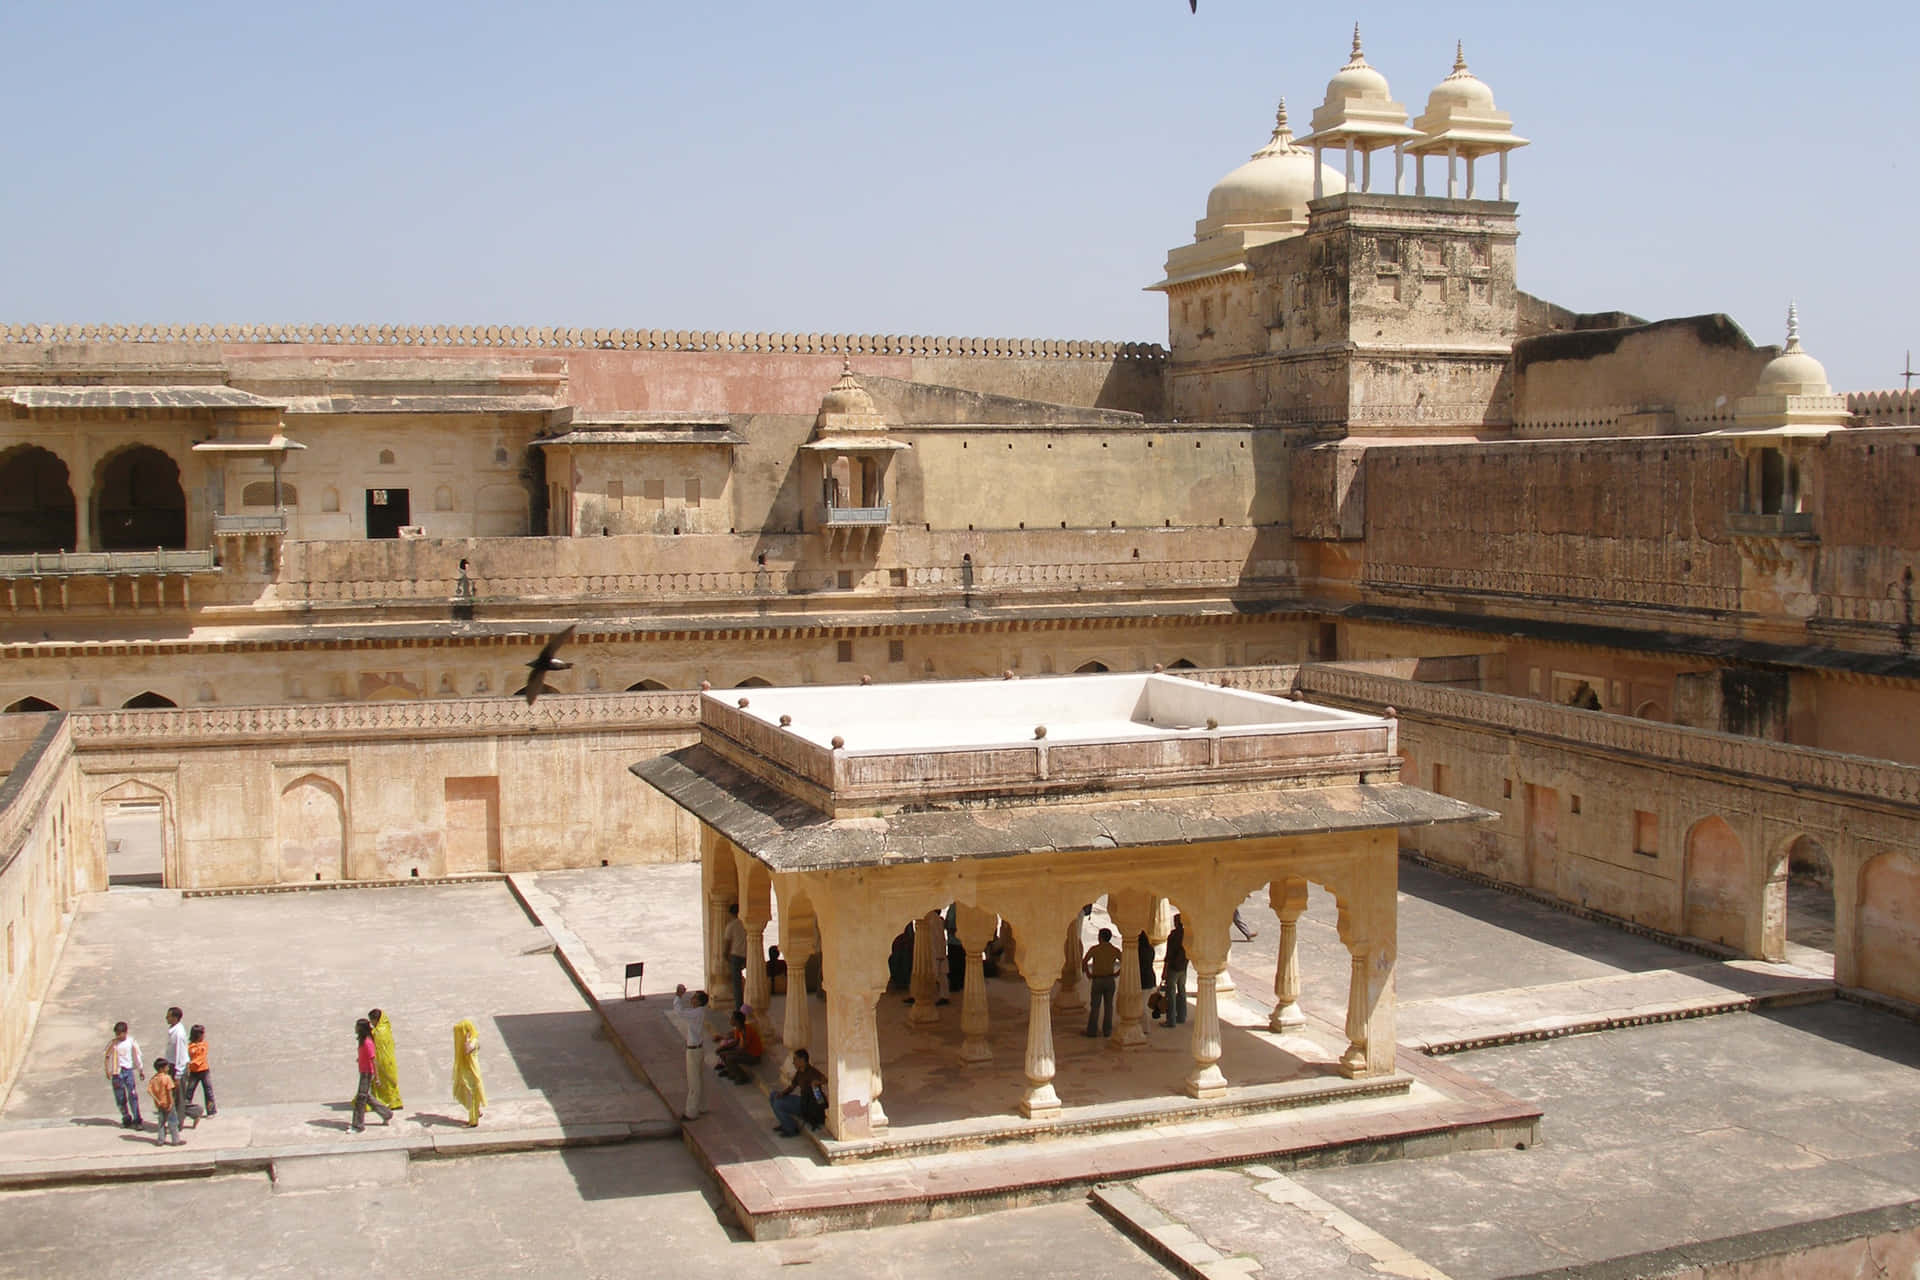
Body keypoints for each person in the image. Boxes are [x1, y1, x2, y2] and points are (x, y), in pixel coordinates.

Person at [670, 985, 709, 1120]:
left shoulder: (696, 1013)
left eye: (694, 998)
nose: (692, 999)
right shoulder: (698, 1012)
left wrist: (678, 996)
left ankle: (691, 1112)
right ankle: (702, 1106)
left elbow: (679, 1012)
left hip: (693, 1050)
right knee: (699, 1078)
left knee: (694, 1082)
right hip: (698, 1049)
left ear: (699, 1002)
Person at [770, 1048, 827, 1137]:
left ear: (802, 1060)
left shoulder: (812, 1072)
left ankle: (791, 1129)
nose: (793, 1062)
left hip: (808, 1106)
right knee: (773, 1095)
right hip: (802, 1100)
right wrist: (782, 1093)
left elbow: (823, 1083)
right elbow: (792, 1087)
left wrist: (817, 1084)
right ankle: (784, 1123)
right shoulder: (800, 1072)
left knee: (778, 1104)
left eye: (795, 1059)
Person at [351, 1018, 393, 1131]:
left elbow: (373, 1060)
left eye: (357, 1026)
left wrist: (377, 1078)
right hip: (363, 1071)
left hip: (367, 1073)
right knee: (366, 1097)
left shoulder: (367, 1042)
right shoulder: (362, 1041)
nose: (355, 1028)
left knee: (361, 1099)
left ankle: (358, 1125)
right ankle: (386, 1113)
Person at [1082, 927, 1123, 1038]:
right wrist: (1117, 973)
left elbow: (1084, 961)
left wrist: (1088, 973)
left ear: (1100, 937)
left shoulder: (1095, 949)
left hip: (1097, 980)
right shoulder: (1114, 950)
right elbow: (1124, 962)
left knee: (1095, 1006)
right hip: (1109, 979)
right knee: (1109, 1006)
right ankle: (1107, 1031)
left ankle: (1092, 1031)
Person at [104, 1021, 145, 1129]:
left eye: (120, 1033)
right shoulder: (113, 1043)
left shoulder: (131, 1042)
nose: (118, 1036)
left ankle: (137, 1119)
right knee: (120, 1097)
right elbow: (107, 1056)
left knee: (133, 1095)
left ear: (125, 1032)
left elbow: (136, 1056)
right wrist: (107, 1070)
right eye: (116, 1034)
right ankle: (126, 1117)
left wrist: (140, 1070)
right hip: (117, 1073)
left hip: (128, 1071)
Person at [452, 1018, 486, 1128]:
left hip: (472, 1072)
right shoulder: (471, 1040)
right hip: (466, 1071)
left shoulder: (473, 1041)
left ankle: (473, 1120)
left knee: (472, 1095)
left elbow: (468, 1050)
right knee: (467, 1093)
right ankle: (477, 1111)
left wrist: (466, 1040)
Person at [714, 1009, 763, 1084]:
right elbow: (735, 1042)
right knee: (722, 1052)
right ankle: (732, 1072)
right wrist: (722, 1048)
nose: (730, 1020)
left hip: (753, 1056)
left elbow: (742, 1050)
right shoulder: (738, 1028)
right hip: (745, 1052)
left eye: (732, 1018)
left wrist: (727, 1052)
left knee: (729, 1058)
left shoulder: (746, 1031)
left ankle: (743, 1077)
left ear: (737, 1021)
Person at [368, 1008, 402, 1111]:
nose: (371, 1023)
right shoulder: (385, 1027)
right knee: (389, 1081)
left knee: (386, 1081)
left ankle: (388, 1101)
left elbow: (375, 1039)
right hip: (389, 1059)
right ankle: (394, 1101)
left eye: (372, 1020)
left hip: (383, 1060)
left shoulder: (379, 1031)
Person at [181, 1024, 215, 1119]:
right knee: (189, 1092)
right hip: (193, 1072)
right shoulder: (190, 1046)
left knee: (208, 1091)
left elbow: (201, 1057)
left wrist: (191, 1062)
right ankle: (186, 1110)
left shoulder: (204, 1045)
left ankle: (211, 1111)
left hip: (204, 1070)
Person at [1162, 914, 1189, 1028]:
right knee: (1182, 991)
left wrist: (1164, 971)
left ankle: (1171, 1020)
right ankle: (1182, 1016)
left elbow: (1168, 955)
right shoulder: (1186, 935)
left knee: (1171, 994)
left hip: (1173, 967)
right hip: (1183, 967)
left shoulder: (1173, 936)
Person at [148, 1059, 181, 1146]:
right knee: (173, 1121)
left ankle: (160, 1140)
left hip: (160, 1104)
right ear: (162, 1068)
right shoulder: (167, 1078)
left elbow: (150, 1091)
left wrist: (157, 1100)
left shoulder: (154, 1079)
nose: (168, 1068)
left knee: (161, 1123)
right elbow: (169, 1092)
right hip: (168, 1103)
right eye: (167, 1067)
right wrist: (171, 1103)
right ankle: (175, 1140)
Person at [722, 905, 748, 1010]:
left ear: (731, 914)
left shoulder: (731, 926)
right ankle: (750, 1002)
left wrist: (725, 956)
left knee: (737, 984)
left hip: (736, 955)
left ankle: (739, 1007)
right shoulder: (746, 923)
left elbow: (727, 943)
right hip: (748, 955)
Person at [163, 1007, 189, 1093]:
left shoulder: (179, 1034)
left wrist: (178, 1075)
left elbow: (181, 1055)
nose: (166, 1017)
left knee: (178, 1096)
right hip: (172, 1066)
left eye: (168, 1016)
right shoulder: (173, 1030)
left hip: (177, 1068)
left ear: (175, 1018)